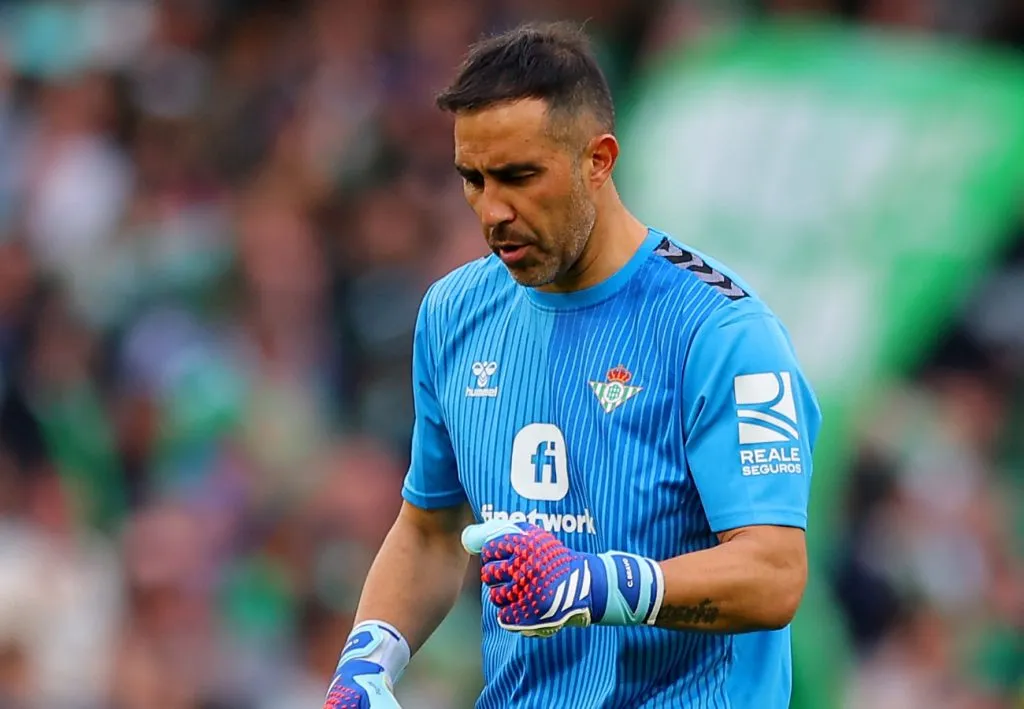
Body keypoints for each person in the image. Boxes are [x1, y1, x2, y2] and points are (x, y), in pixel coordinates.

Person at [321, 21, 820, 709]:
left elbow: (773, 574)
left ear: (598, 159)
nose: (493, 211)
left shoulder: (724, 334)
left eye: (521, 177)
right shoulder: (454, 314)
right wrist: (367, 661)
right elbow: (431, 527)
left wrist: (596, 584)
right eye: (473, 179)